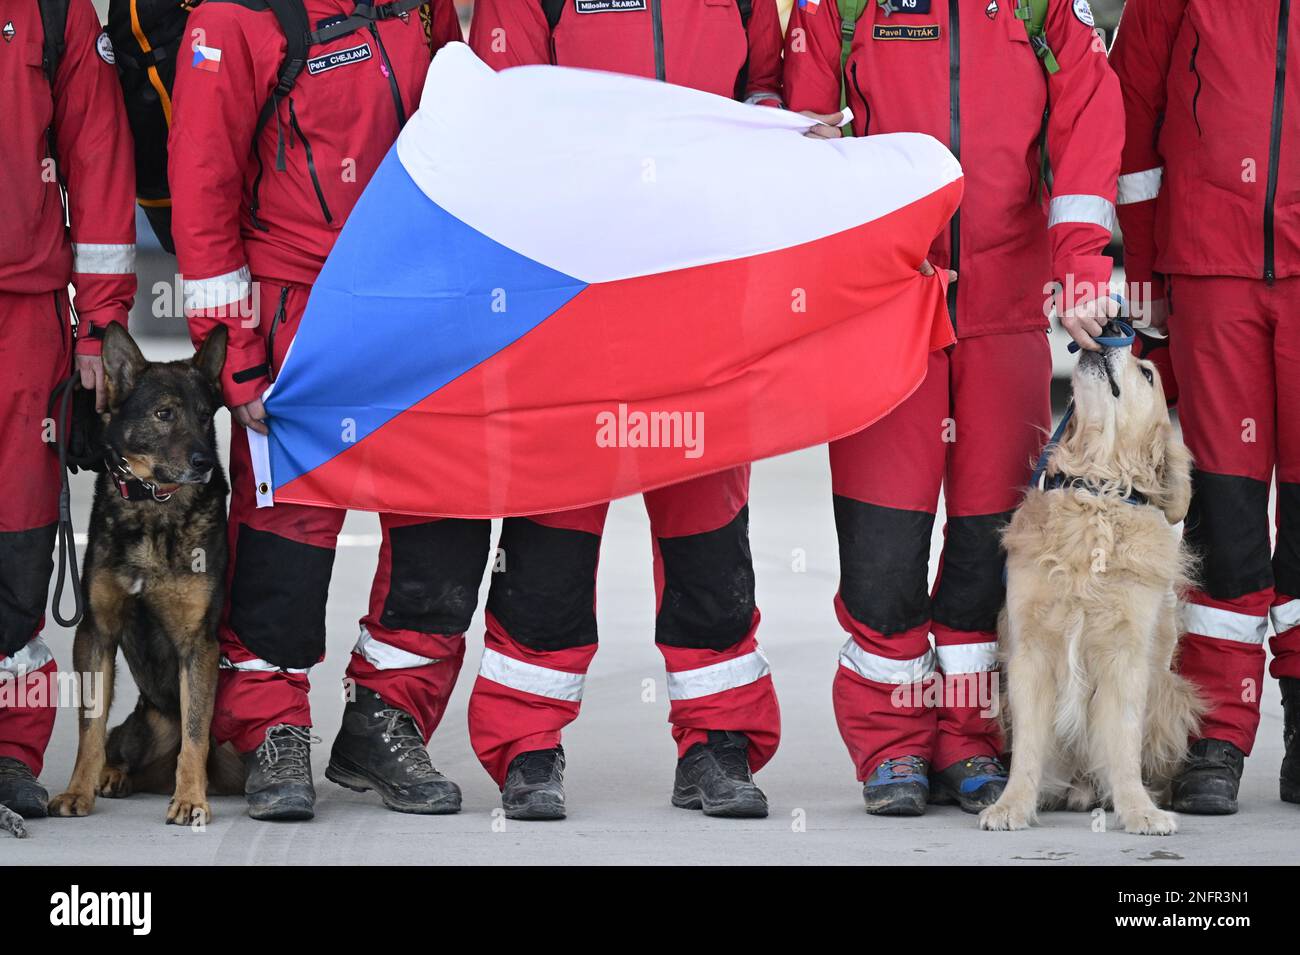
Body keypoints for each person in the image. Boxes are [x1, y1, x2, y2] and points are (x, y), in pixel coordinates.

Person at [783, 0, 1122, 814]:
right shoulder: (843, 8)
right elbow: (796, 125)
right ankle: (892, 744)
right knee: (882, 542)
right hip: (881, 310)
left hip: (1003, 313)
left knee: (987, 540)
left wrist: (1081, 262)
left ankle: (969, 739)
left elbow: (1088, 117)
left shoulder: (1042, 10)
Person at [465, 0, 785, 821]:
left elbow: (768, 92)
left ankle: (717, 744)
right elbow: (501, 123)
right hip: (575, 297)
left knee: (709, 529)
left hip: (702, 293)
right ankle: (527, 746)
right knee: (551, 533)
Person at [169, 0, 468, 821]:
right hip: (300, 315)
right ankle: (269, 729)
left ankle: (388, 718)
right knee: (283, 541)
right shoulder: (234, 20)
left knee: (441, 524)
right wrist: (236, 351)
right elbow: (203, 184)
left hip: (420, 304)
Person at [1111, 0, 1300, 813]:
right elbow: (1134, 119)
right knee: (1225, 513)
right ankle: (1215, 738)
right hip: (1210, 268)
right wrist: (1148, 267)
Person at [0, 0, 136, 820]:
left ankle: (12, 749)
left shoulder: (55, 13)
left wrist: (102, 322)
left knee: (17, 541)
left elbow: (98, 158)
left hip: (28, 316)